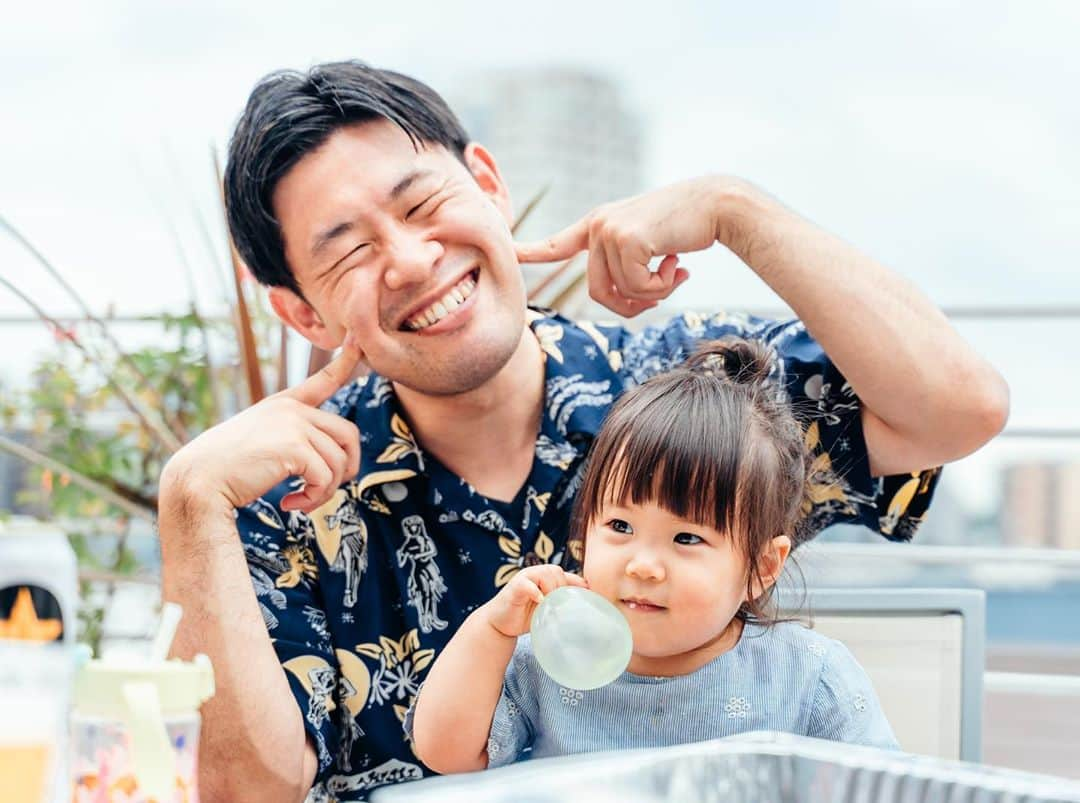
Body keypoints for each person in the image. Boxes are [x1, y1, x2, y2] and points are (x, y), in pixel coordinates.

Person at [156, 60, 1007, 802]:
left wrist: (733, 208)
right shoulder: (286, 493)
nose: (411, 261)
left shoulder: (698, 393)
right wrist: (191, 502)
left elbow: (961, 408)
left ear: (488, 184)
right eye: (348, 252)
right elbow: (243, 791)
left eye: (422, 204)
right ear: (302, 311)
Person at [409, 339, 898, 773]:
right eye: (620, 526)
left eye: (686, 538)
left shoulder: (807, 676)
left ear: (761, 567)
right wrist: (490, 629)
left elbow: (877, 788)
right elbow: (446, 754)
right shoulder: (546, 660)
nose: (642, 564)